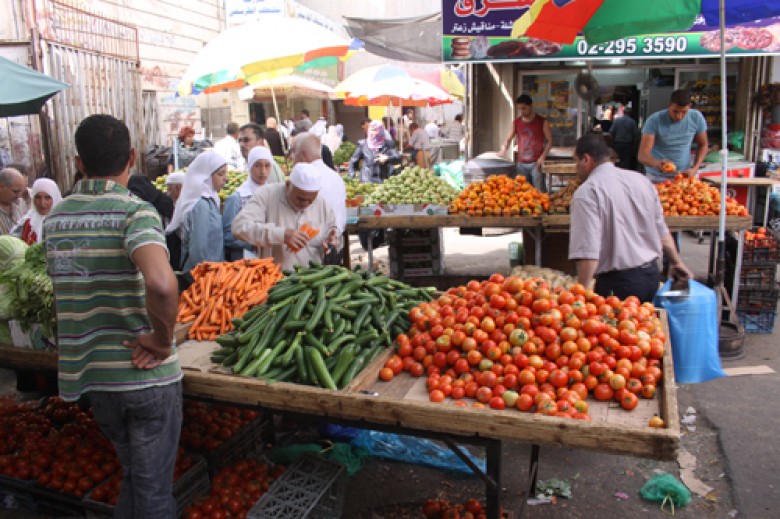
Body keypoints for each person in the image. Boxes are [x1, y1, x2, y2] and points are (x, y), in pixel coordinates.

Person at [43, 114, 182, 517]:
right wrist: (161, 338)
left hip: (97, 379)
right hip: (146, 376)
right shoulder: (134, 213)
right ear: (133, 157)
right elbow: (161, 283)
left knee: (134, 479)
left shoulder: (56, 218)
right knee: (154, 493)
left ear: (79, 162)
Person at [568, 135, 693, 303]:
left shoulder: (588, 192)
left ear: (586, 159)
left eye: (576, 162)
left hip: (619, 285)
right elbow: (661, 229)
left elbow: (588, 252)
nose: (576, 168)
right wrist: (677, 262)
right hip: (651, 277)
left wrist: (579, 296)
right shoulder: (641, 180)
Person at [231, 163, 340, 271]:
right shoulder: (267, 195)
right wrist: (282, 234)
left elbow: (334, 232)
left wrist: (332, 241)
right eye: (300, 199)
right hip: (274, 279)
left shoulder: (321, 204)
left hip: (311, 280)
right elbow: (239, 227)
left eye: (311, 200)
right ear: (288, 185)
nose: (306, 203)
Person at [166, 151, 227, 273]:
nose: (226, 179)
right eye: (220, 174)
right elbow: (198, 250)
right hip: (202, 277)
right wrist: (206, 278)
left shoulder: (210, 200)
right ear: (206, 176)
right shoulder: (201, 205)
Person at [290, 132, 347, 260]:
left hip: (314, 251)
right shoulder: (335, 176)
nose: (291, 157)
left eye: (293, 151)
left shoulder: (307, 180)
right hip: (334, 245)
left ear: (303, 154)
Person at [222, 146, 281, 261]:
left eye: (267, 165)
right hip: (244, 262)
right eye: (257, 165)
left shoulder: (274, 195)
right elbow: (228, 236)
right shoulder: (237, 198)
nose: (263, 171)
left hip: (268, 260)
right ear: (249, 166)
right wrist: (252, 243)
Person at [638, 89, 708, 183]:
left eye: (684, 112)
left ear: (689, 107)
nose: (679, 116)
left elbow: (703, 145)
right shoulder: (654, 121)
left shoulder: (696, 117)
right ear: (669, 105)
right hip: (656, 177)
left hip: (683, 175)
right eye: (675, 111)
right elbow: (642, 156)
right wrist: (658, 164)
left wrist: (695, 168)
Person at [498, 94, 553, 193]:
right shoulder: (516, 122)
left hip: (536, 163)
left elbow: (550, 141)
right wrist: (503, 149)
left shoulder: (542, 122)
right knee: (523, 193)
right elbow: (508, 139)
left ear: (531, 106)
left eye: (524, 108)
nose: (522, 111)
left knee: (539, 192)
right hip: (521, 164)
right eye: (520, 109)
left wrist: (543, 157)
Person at [11, 178, 61, 244]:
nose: (42, 203)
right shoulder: (27, 223)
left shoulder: (62, 223)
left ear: (55, 198)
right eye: (38, 197)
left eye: (47, 198)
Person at [0, 167, 28, 234]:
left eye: (20, 191)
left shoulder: (21, 204)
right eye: (15, 192)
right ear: (1, 187)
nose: (19, 196)